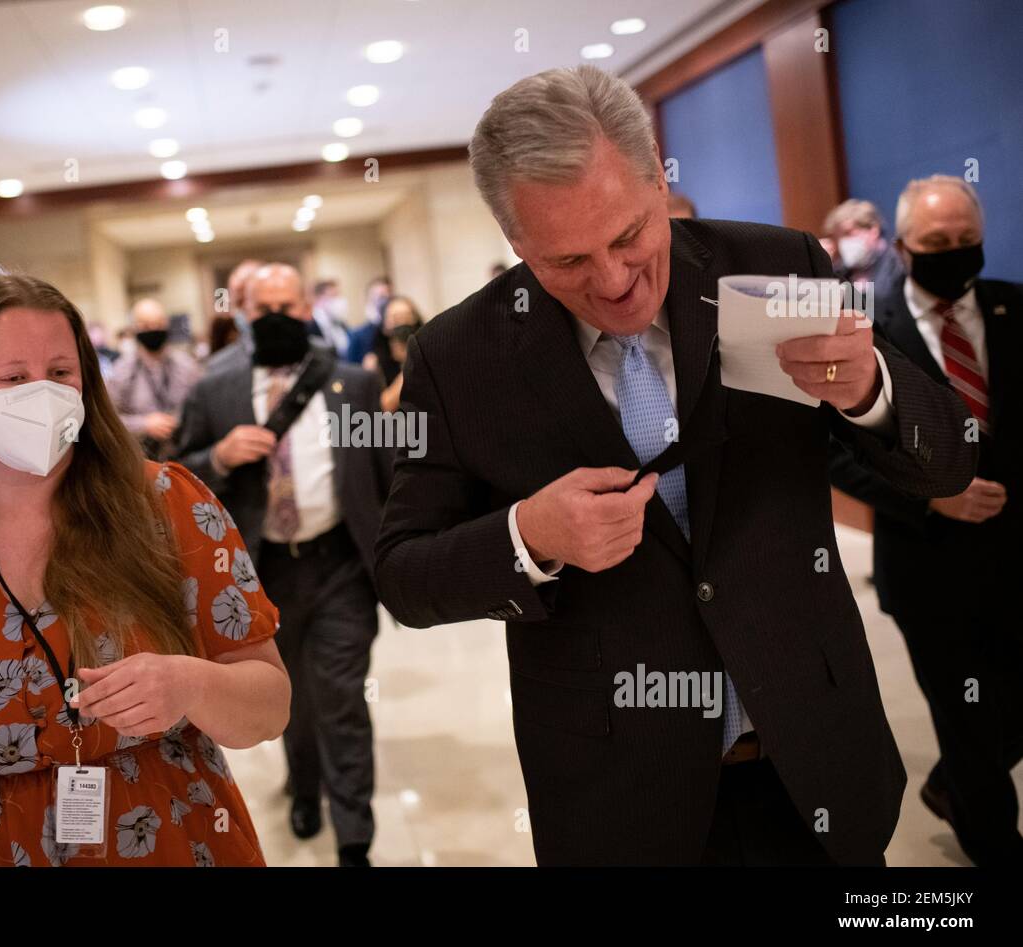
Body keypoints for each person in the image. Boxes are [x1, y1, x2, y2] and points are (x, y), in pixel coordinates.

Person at [374, 64, 976, 866]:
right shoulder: (457, 358)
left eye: (628, 236)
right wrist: (527, 537)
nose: (615, 283)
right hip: (616, 795)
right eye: (567, 262)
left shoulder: (775, 268)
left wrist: (871, 388)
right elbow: (404, 576)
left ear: (659, 176)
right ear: (515, 243)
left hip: (815, 758)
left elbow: (950, 460)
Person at [0, 269, 290, 867]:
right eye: (13, 378)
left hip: (164, 834)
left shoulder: (168, 506)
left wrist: (191, 684)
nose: (42, 393)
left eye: (61, 373)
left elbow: (269, 703)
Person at [830, 176, 1022, 865]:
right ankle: (994, 845)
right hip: (927, 563)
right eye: (936, 243)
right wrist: (928, 497)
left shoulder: (1012, 307)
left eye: (966, 241)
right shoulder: (863, 327)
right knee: (967, 718)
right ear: (903, 250)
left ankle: (951, 785)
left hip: (1015, 555)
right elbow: (832, 450)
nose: (954, 253)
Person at [177, 263, 392, 866]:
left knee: (342, 696)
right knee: (288, 693)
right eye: (263, 305)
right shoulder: (214, 387)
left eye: (289, 305)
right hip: (257, 574)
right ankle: (304, 786)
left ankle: (355, 836)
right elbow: (177, 477)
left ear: (309, 309)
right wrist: (218, 454)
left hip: (339, 565)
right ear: (244, 312)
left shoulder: (353, 383)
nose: (277, 316)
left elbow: (384, 475)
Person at [105, 298, 202, 461]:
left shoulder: (188, 366)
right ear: (134, 328)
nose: (153, 329)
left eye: (158, 324)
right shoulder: (121, 370)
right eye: (145, 326)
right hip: (142, 460)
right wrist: (143, 425)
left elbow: (202, 408)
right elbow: (107, 419)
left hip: (186, 455)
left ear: (166, 324)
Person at [822, 198, 905, 291]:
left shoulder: (899, 265)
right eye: (838, 237)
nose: (843, 242)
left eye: (848, 233)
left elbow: (879, 301)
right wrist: (822, 268)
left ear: (873, 230)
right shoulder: (842, 272)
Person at [360, 295, 423, 412]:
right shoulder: (374, 361)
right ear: (384, 325)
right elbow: (384, 405)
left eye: (406, 317)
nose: (402, 324)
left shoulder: (426, 349)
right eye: (395, 318)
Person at [344, 276, 392, 365]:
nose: (385, 301)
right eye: (380, 297)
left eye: (388, 295)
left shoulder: (397, 330)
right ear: (369, 299)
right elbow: (351, 367)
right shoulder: (357, 335)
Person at [309, 279, 351, 356]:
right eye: (333, 296)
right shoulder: (310, 323)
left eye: (338, 295)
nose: (337, 301)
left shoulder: (340, 322)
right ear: (319, 298)